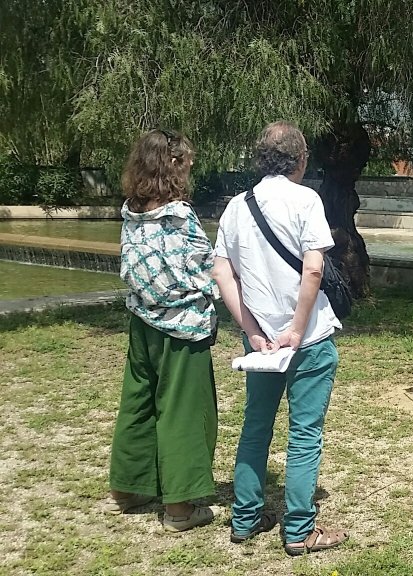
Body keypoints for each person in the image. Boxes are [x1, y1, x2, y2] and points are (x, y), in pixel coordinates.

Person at [212, 121, 348, 555]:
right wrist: (296, 327)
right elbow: (313, 269)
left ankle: (246, 518)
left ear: (259, 158)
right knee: (304, 432)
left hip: (262, 346)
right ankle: (300, 530)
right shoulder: (306, 199)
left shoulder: (236, 207)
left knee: (255, 427)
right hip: (306, 338)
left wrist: (252, 330)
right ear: (301, 160)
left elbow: (222, 272)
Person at [102, 128, 220, 532]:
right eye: (186, 162)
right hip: (181, 328)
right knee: (182, 411)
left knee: (138, 403)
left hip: (141, 323)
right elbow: (203, 268)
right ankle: (181, 508)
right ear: (172, 164)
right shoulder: (178, 216)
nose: (190, 170)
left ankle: (128, 489)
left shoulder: (131, 212)